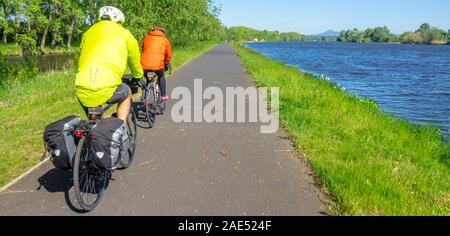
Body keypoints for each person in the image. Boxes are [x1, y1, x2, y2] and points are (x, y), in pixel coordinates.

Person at [75, 6, 143, 122]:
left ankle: (94, 129)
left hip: (82, 88)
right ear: (118, 21)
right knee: (126, 92)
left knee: (94, 122)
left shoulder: (88, 32)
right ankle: (121, 127)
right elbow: (134, 59)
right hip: (108, 87)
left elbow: (82, 54)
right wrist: (138, 76)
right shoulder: (125, 33)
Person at [141, 27, 173, 102]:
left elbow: (143, 49)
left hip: (145, 64)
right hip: (158, 65)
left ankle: (146, 98)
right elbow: (169, 54)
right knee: (161, 76)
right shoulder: (165, 39)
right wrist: (166, 63)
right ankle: (163, 96)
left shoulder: (146, 37)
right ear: (163, 32)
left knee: (149, 79)